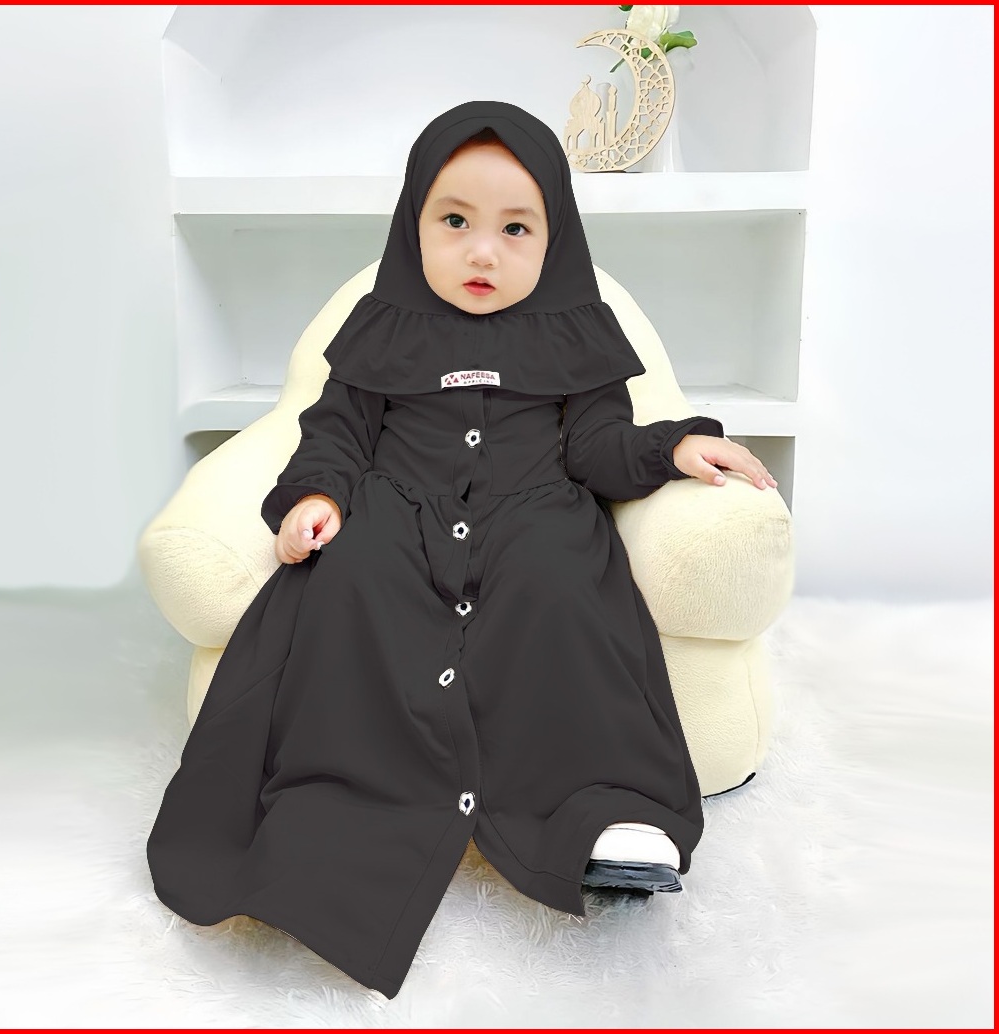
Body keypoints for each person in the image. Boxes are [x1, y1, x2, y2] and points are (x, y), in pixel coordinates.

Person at [146, 100, 778, 1001]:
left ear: (554, 238)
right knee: (350, 584)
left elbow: (599, 444)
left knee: (562, 590)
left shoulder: (576, 328)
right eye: (455, 222)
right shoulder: (381, 324)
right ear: (415, 224)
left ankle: (602, 807)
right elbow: (334, 432)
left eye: (515, 229)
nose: (483, 253)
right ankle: (332, 814)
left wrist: (675, 446)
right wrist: (316, 498)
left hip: (536, 515)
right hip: (394, 513)